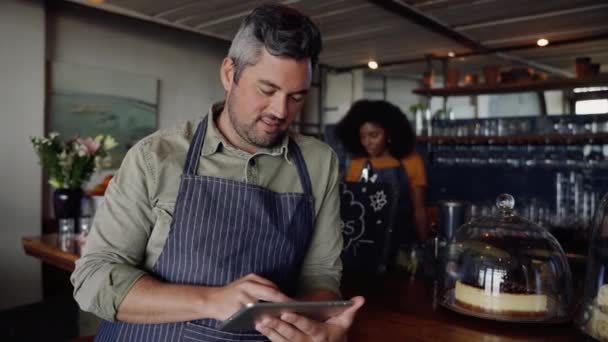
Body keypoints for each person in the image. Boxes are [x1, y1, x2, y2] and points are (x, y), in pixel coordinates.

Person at [71, 4, 364, 341]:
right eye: (266, 90)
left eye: (296, 97)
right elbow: (93, 278)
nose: (280, 111)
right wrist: (211, 301)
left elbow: (320, 276)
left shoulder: (319, 162)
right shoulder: (156, 156)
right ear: (229, 74)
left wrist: (313, 329)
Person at [336, 100, 429, 250]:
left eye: (374, 135)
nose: (367, 142)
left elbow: (419, 212)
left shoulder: (412, 162)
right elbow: (349, 212)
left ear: (389, 133)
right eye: (363, 137)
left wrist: (425, 248)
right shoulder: (357, 165)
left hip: (402, 244)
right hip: (365, 244)